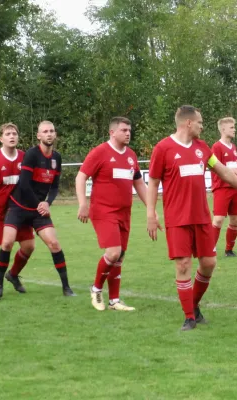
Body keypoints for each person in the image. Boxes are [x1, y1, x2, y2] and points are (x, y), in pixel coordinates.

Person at [146, 105, 237, 331]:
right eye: (199, 122)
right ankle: (190, 316)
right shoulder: (163, 148)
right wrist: (151, 213)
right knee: (183, 265)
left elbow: (224, 172)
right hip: (177, 218)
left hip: (201, 216)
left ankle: (194, 304)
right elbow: (153, 182)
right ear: (188, 123)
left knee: (209, 263)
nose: (202, 126)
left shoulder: (202, 148)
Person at [0, 120, 75, 299]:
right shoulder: (31, 155)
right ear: (39, 136)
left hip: (38, 209)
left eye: (52, 131)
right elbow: (25, 184)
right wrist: (40, 204)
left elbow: (54, 187)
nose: (49, 134)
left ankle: (66, 288)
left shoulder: (57, 158)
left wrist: (47, 203)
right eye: (45, 131)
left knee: (54, 244)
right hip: (19, 206)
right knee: (6, 243)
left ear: (55, 134)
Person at [76, 116, 151, 311]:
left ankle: (114, 301)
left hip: (124, 212)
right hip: (103, 210)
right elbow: (81, 177)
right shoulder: (100, 152)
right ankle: (96, 289)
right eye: (124, 130)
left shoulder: (131, 155)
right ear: (112, 132)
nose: (128, 133)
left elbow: (139, 183)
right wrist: (83, 203)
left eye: (129, 130)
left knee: (120, 255)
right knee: (113, 252)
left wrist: (151, 209)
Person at [0, 123, 35, 299]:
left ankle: (12, 274)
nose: (12, 136)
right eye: (8, 134)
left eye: (14, 133)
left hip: (18, 212)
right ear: (1, 138)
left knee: (29, 246)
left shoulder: (24, 158)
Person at [210, 117, 237, 257]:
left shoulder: (233, 147)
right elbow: (216, 168)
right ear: (223, 129)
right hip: (222, 188)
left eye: (234, 127)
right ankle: (210, 250)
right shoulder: (216, 147)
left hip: (235, 188)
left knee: (235, 220)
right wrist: (235, 172)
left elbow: (235, 168)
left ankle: (229, 249)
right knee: (218, 219)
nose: (234, 129)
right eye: (232, 127)